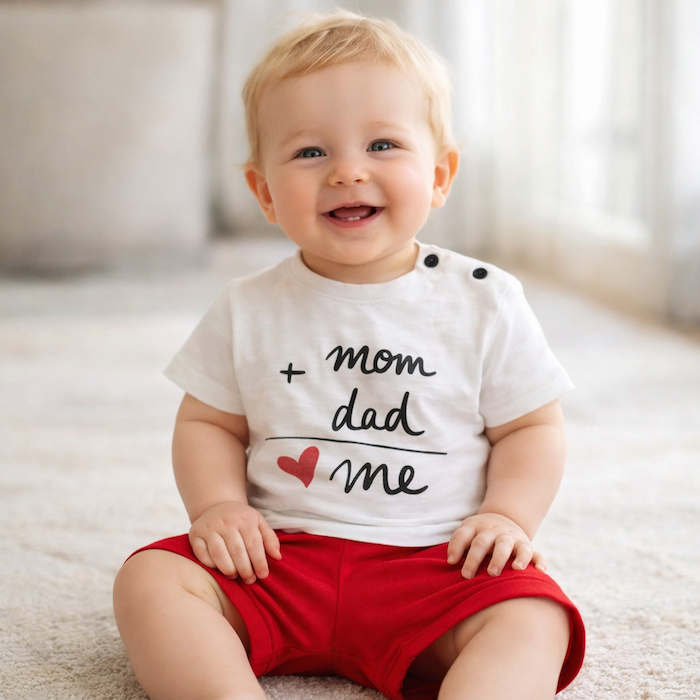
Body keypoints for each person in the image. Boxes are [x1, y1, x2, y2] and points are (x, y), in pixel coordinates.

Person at [113, 10, 585, 700]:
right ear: (264, 191)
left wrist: (507, 516)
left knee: (535, 613)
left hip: (433, 565)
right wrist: (219, 507)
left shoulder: (485, 299)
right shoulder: (247, 306)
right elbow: (209, 422)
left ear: (440, 174)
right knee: (150, 579)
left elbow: (531, 427)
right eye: (310, 152)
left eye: (383, 144)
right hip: (276, 560)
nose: (348, 171)